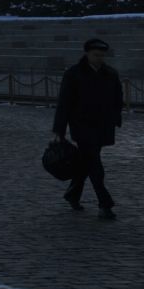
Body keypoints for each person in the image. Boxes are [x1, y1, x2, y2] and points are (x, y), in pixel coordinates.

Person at [53, 37, 124, 219]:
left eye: (101, 55)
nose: (99, 58)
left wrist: (115, 118)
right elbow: (64, 104)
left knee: (87, 162)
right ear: (87, 54)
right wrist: (58, 131)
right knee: (95, 163)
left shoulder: (110, 73)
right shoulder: (73, 74)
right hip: (82, 126)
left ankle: (72, 194)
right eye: (95, 55)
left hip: (103, 126)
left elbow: (118, 98)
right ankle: (105, 203)